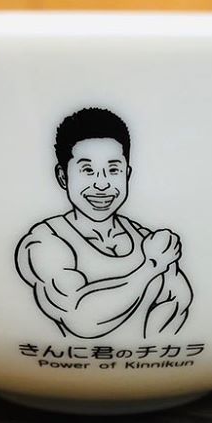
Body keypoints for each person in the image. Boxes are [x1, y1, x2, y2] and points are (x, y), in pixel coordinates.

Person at [15, 107, 192, 339]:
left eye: (113, 169)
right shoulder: (46, 241)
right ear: (62, 176)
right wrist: (151, 267)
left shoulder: (145, 238)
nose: (102, 184)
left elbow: (176, 303)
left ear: (127, 174)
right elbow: (80, 317)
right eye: (88, 170)